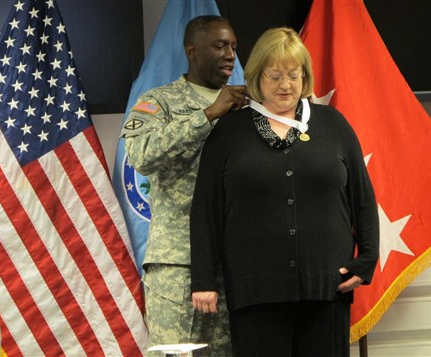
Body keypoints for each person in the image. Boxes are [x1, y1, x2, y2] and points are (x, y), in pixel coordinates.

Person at [190, 27, 379, 356]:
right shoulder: (230, 132)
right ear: (256, 77)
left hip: (327, 287)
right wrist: (203, 280)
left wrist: (367, 259)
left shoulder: (333, 124)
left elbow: (362, 198)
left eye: (294, 75)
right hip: (255, 291)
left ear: (305, 76)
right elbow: (206, 209)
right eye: (275, 75)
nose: (285, 85)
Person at [121, 15, 247, 356]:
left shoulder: (245, 106)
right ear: (192, 51)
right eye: (219, 46)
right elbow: (142, 155)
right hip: (178, 264)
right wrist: (206, 115)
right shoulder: (159, 102)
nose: (230, 55)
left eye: (233, 46)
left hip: (233, 263)